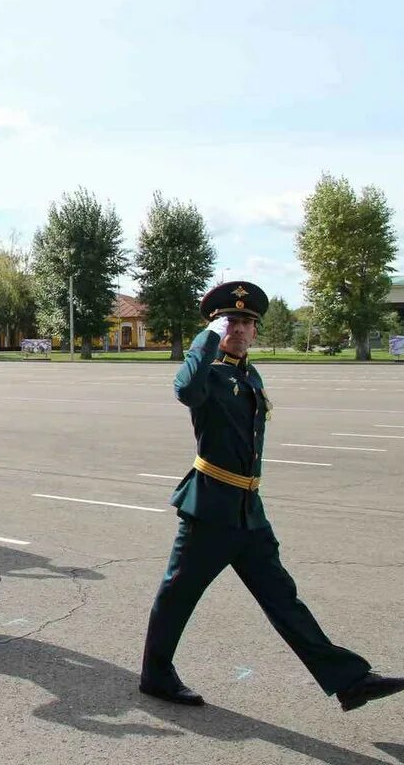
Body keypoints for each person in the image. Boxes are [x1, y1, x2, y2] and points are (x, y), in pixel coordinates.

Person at [139, 281, 404, 711]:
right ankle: (156, 676)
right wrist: (205, 338)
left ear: (256, 330)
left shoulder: (249, 374)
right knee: (177, 596)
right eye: (230, 322)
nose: (239, 329)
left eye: (246, 322)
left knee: (284, 599)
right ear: (216, 328)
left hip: (248, 514)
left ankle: (349, 681)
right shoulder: (206, 371)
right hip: (210, 510)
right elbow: (186, 391)